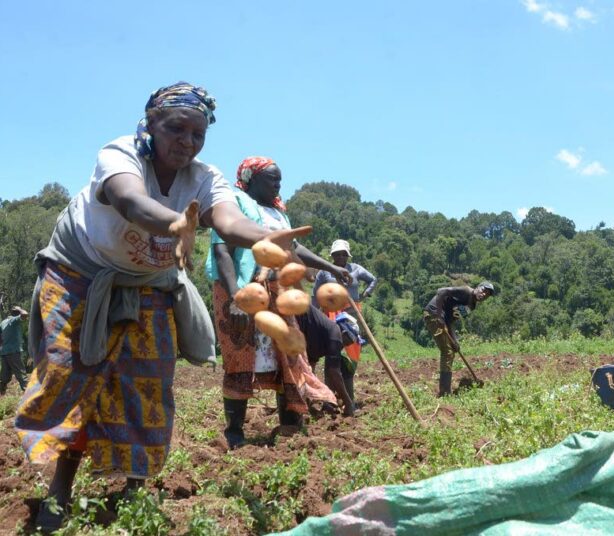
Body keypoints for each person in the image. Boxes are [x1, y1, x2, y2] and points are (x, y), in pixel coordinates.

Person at [14, 82, 309, 533]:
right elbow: (129, 201)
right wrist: (176, 222)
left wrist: (264, 237)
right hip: (78, 273)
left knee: (147, 382)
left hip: (150, 281)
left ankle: (134, 489)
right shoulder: (119, 154)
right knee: (74, 376)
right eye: (177, 129)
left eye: (198, 134)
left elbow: (228, 221)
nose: (187, 142)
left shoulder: (205, 177)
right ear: (151, 124)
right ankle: (59, 490)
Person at [205, 157, 351, 450]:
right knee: (240, 360)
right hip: (243, 291)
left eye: (280, 180)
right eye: (272, 179)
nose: (278, 184)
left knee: (289, 356)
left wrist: (331, 268)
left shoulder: (278, 214)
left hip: (279, 294)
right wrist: (236, 296)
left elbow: (294, 247)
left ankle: (289, 426)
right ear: (252, 179)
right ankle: (235, 432)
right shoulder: (233, 204)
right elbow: (222, 251)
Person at [311, 239, 376, 399]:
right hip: (330, 317)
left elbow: (373, 279)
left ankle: (348, 396)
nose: (340, 257)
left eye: (343, 254)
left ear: (348, 255)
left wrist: (365, 294)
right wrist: (313, 315)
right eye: (337, 254)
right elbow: (315, 294)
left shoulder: (356, 269)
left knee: (350, 355)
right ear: (332, 255)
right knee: (332, 355)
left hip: (351, 316)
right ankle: (329, 398)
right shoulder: (324, 272)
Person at [423, 282, 495, 396]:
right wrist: (438, 316)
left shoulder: (471, 306)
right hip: (433, 314)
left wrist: (455, 340)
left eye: (487, 294)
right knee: (447, 352)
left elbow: (451, 320)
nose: (484, 294)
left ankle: (445, 390)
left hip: (443, 321)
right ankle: (444, 392)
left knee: (451, 351)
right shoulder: (466, 291)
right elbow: (441, 291)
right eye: (483, 290)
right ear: (478, 287)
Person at [0, 306, 29, 395]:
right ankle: (30, 398)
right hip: (14, 352)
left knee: (4, 378)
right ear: (17, 314)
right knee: (21, 376)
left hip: (4, 352)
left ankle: (1, 394)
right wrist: (20, 309)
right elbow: (25, 314)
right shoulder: (15, 320)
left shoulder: (3, 322)